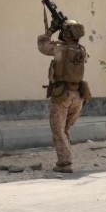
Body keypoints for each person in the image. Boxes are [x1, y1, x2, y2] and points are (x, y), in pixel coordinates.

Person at [38, 19, 90, 173]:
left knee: (58, 130)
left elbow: (42, 45)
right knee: (65, 129)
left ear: (67, 34)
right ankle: (66, 157)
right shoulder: (82, 50)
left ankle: (64, 163)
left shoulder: (58, 48)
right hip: (78, 95)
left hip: (62, 95)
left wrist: (51, 30)